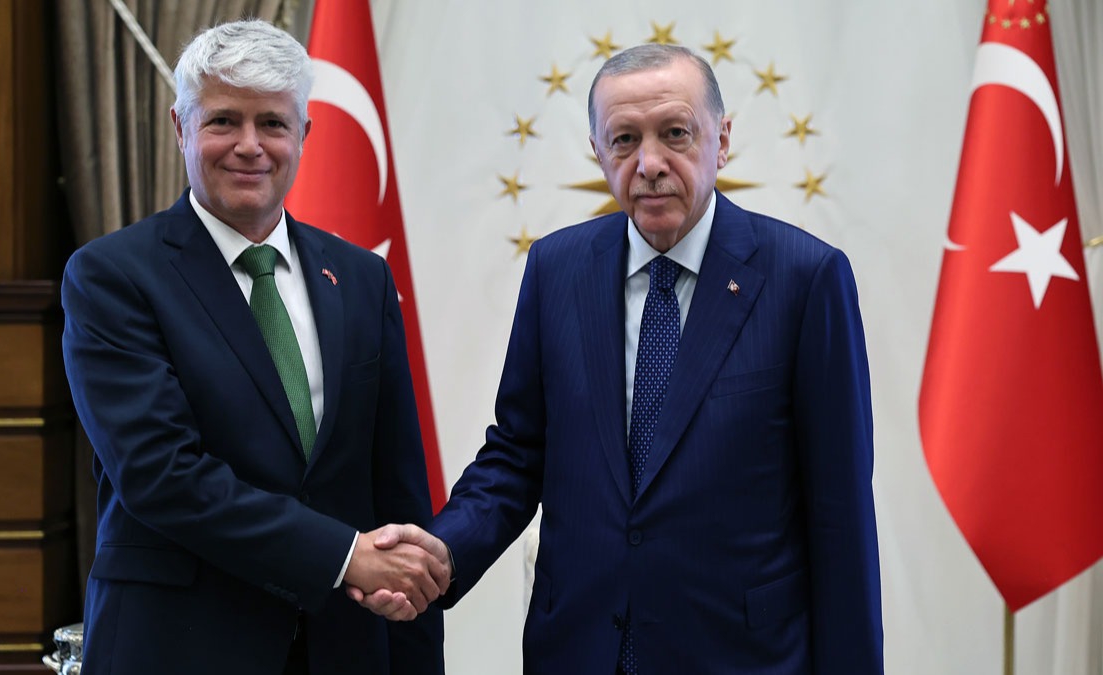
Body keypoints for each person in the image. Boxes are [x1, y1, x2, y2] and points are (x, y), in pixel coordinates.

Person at [355, 43, 884, 673]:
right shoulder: (556, 269)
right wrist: (443, 551)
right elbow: (519, 454)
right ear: (598, 151)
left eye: (675, 133)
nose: (649, 164)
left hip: (741, 655)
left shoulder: (805, 278)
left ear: (722, 140)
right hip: (579, 649)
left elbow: (839, 513)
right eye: (625, 139)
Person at [61, 19, 446, 675]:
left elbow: (396, 488)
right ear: (181, 127)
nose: (249, 146)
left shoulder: (361, 278)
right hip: (179, 647)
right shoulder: (111, 277)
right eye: (223, 121)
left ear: (304, 134)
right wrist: (343, 556)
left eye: (272, 123)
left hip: (343, 648)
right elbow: (161, 474)